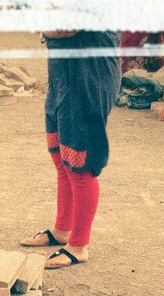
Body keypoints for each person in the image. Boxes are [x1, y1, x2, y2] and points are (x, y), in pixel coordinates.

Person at [21, 30, 122, 269]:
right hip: (64, 74)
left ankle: (78, 245)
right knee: (60, 157)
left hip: (88, 76)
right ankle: (62, 230)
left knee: (80, 164)